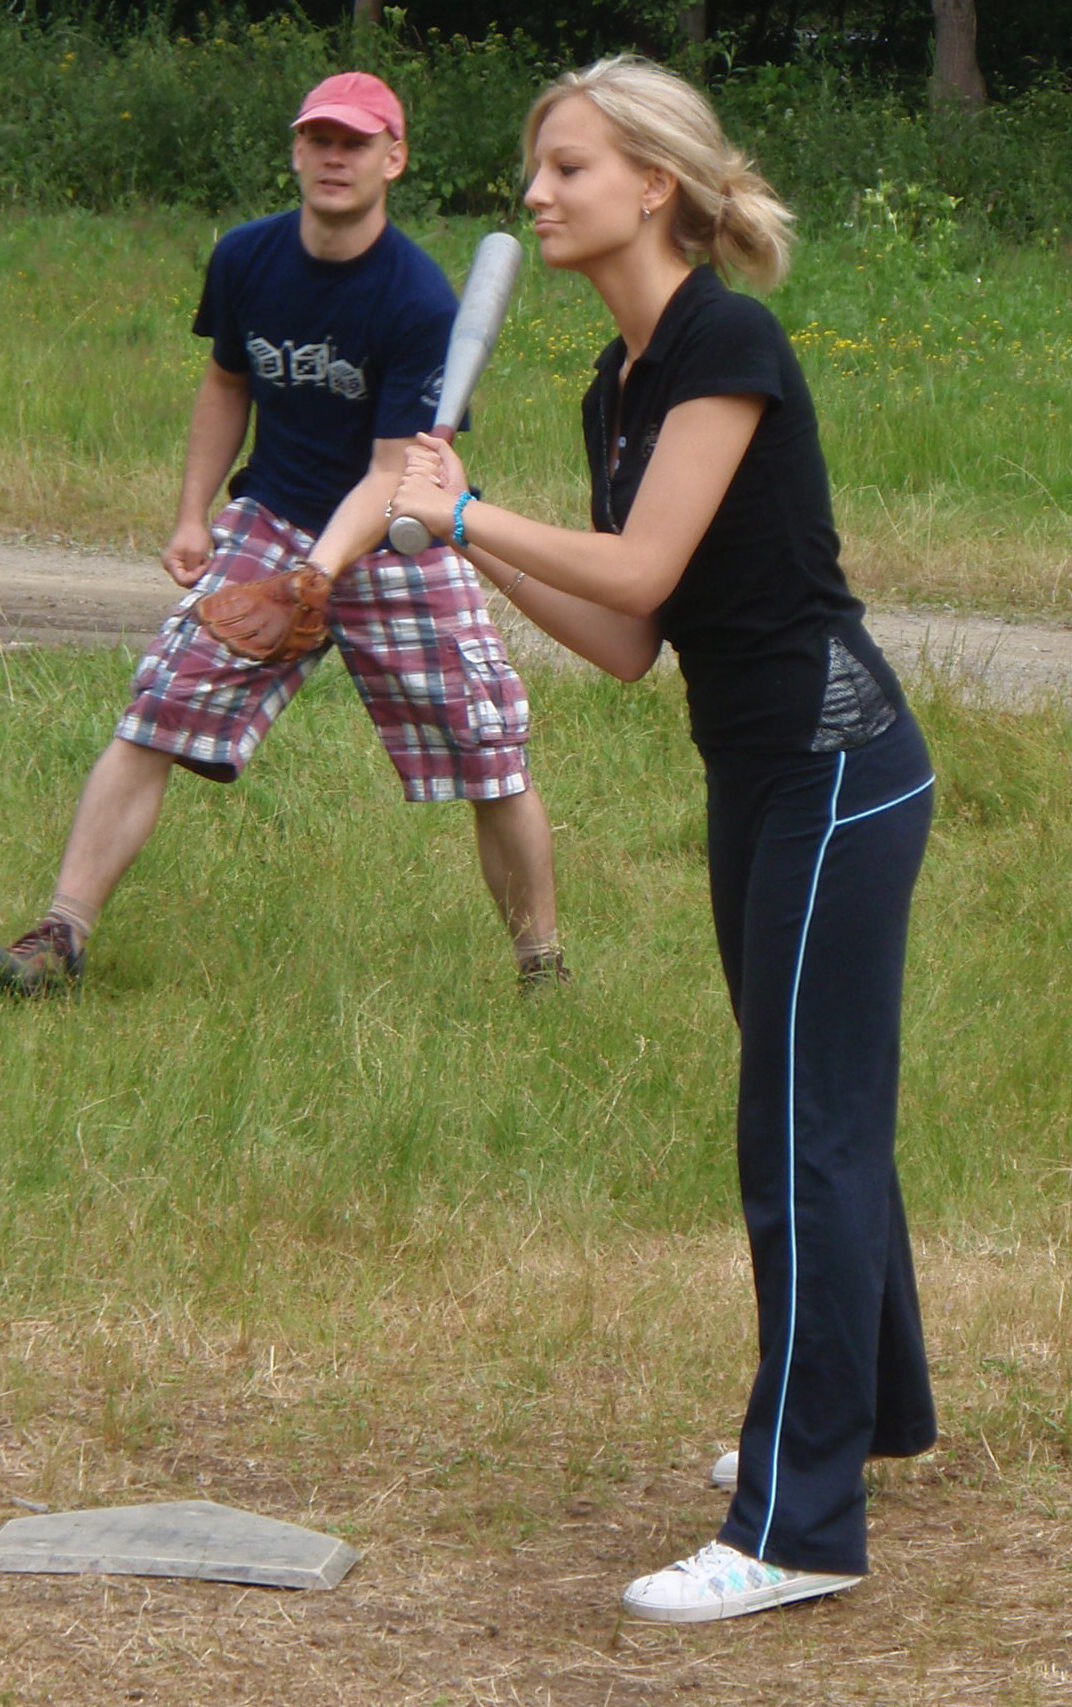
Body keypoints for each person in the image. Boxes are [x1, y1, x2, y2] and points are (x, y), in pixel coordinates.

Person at [391, 56, 937, 1623]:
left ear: (654, 183)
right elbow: (633, 640)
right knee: (814, 1102)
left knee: (798, 1129)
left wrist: (468, 513)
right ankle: (868, 1408)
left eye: (567, 166)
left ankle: (798, 1523)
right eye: (535, 169)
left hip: (838, 761)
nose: (537, 192)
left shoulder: (725, 341)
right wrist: (469, 539)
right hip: (755, 771)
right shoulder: (615, 385)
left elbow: (636, 569)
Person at [0, 72, 565, 999]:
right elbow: (226, 382)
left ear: (393, 160)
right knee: (157, 705)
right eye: (319, 138)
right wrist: (191, 513)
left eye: (356, 143)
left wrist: (315, 575)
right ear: (295, 149)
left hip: (398, 533)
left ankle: (542, 968)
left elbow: (389, 475)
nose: (334, 157)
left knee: (489, 750)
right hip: (276, 516)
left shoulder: (416, 299)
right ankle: (60, 934)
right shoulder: (246, 258)